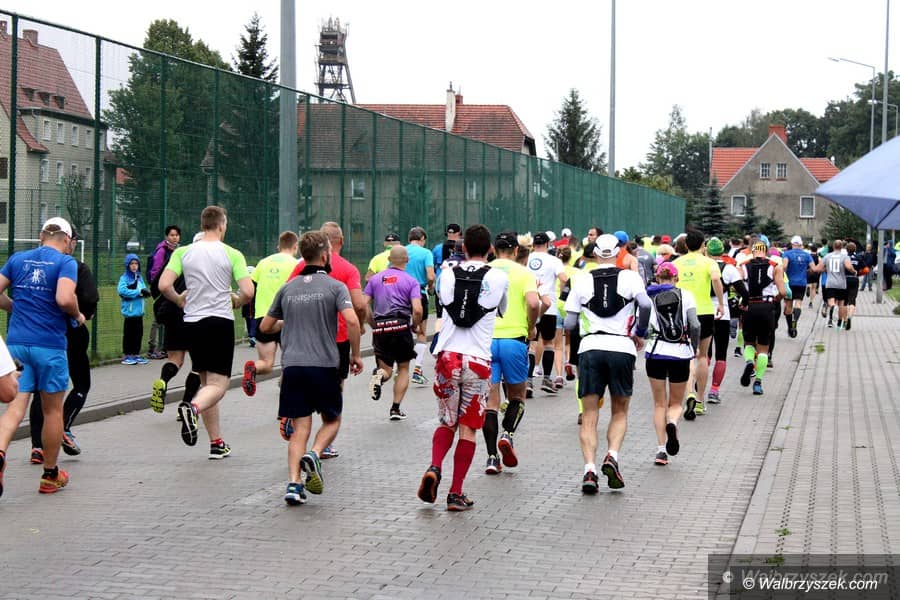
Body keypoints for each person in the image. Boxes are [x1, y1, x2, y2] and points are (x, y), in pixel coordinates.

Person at [260, 231, 362, 505]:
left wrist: (288, 322)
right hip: (324, 364)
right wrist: (355, 354)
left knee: (299, 427)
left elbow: (266, 326)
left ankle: (294, 484)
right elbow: (353, 321)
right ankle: (315, 453)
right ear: (326, 255)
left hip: (293, 366)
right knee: (332, 419)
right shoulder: (335, 286)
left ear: (303, 256)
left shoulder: (288, 288)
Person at [417, 224, 508, 511]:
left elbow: (443, 304)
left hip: (448, 357)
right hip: (477, 361)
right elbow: (501, 310)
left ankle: (434, 466)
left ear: (463, 247)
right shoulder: (498, 277)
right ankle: (455, 492)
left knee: (447, 421)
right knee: (468, 428)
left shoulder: (447, 274)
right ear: (490, 249)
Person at [158, 206, 254, 459]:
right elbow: (248, 291)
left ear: (203, 225)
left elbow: (164, 285)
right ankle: (192, 408)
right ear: (222, 225)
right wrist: (237, 300)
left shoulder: (183, 252)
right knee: (219, 385)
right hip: (219, 322)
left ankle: (216, 443)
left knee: (206, 384)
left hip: (192, 323)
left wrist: (179, 299)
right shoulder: (232, 253)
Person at [0, 217, 84, 496]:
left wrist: (13, 307)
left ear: (41, 236)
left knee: (14, 409)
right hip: (49, 346)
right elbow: (64, 298)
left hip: (17, 345)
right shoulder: (65, 262)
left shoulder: (17, 259)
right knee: (52, 411)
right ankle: (50, 475)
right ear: (67, 240)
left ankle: (0, 453)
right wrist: (77, 314)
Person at [564, 234, 651, 492]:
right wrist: (640, 331)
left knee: (589, 414)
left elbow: (569, 323)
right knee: (620, 411)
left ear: (594, 253)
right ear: (617, 252)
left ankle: (589, 470)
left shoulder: (581, 279)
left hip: (590, 347)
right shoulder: (630, 277)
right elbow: (645, 305)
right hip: (622, 347)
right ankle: (612, 455)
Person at [285, 222, 367, 458]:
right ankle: (324, 443)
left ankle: (293, 416)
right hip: (337, 337)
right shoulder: (348, 269)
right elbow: (359, 304)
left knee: (305, 385)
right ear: (341, 241)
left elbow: (287, 292)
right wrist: (360, 327)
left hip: (303, 337)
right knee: (334, 390)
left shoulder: (301, 265)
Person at [29, 230, 99, 461]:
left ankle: (38, 447)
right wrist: (84, 314)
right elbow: (89, 298)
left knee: (41, 391)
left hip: (41, 333)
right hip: (71, 332)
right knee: (81, 384)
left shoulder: (35, 266)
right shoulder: (76, 267)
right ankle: (63, 427)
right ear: (70, 241)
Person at [483, 231, 540, 474]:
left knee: (490, 401)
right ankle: (507, 434)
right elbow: (534, 303)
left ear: (494, 250)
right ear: (516, 251)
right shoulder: (524, 273)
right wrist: (531, 326)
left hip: (487, 340)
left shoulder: (485, 271)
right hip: (514, 339)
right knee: (517, 396)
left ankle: (491, 458)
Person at [644, 262, 700, 466]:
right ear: (677, 278)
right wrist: (693, 347)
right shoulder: (686, 295)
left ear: (658, 278)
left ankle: (661, 451)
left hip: (655, 353)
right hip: (680, 354)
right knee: (675, 403)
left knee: (659, 404)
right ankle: (673, 423)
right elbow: (695, 325)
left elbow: (644, 327)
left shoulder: (649, 297)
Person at [363, 246, 423, 420]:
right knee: (403, 368)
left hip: (381, 327)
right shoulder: (411, 281)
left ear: (389, 259)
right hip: (401, 326)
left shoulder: (375, 279)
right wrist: (415, 325)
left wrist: (372, 323)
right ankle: (395, 409)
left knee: (386, 369)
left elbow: (363, 304)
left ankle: (379, 376)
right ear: (407, 260)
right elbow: (417, 309)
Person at [672, 231, 725, 418]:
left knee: (687, 355)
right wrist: (720, 303)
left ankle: (690, 394)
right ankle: (701, 401)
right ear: (703, 245)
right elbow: (716, 279)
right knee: (702, 356)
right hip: (704, 311)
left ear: (686, 245)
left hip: (683, 313)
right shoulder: (709, 262)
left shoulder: (676, 263)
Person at [149, 232, 202, 416]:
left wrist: (168, 299)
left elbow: (157, 284)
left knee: (175, 360)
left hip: (173, 313)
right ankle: (185, 406)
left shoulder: (179, 256)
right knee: (198, 366)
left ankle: (163, 381)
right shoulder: (210, 260)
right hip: (196, 316)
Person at [241, 231, 299, 397]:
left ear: (278, 246)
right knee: (293, 361)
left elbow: (251, 286)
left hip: (263, 317)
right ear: (295, 247)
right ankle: (287, 385)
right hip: (287, 317)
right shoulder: (296, 265)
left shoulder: (263, 262)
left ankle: (253, 368)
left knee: (266, 364)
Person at [738, 241, 787, 396]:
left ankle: (749, 362)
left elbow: (738, 287)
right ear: (766, 252)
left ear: (753, 252)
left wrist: (743, 301)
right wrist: (775, 300)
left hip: (750, 307)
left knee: (749, 342)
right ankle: (758, 382)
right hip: (766, 307)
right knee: (764, 347)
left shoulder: (743, 265)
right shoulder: (775, 266)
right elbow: (783, 292)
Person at [704, 237, 747, 405]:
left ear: (706, 251)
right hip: (723, 314)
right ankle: (714, 390)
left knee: (703, 354)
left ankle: (698, 385)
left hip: (703, 312)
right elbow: (744, 291)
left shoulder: (702, 266)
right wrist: (743, 304)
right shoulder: (729, 268)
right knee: (721, 354)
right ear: (722, 251)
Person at [526, 231, 567, 395]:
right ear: (548, 244)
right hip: (549, 305)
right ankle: (547, 379)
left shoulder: (527, 259)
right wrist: (563, 293)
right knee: (549, 342)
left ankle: (528, 381)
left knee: (531, 343)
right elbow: (564, 278)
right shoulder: (554, 260)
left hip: (530, 304)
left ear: (533, 245)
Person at [405, 227, 436, 385]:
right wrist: (430, 287)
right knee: (421, 332)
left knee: (402, 330)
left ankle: (400, 367)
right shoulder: (426, 253)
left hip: (400, 294)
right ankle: (417, 371)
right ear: (422, 238)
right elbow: (430, 276)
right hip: (419, 293)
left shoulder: (401, 251)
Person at [146, 225, 181, 359]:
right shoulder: (162, 251)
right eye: (172, 235)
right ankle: (152, 348)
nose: (175, 238)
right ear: (167, 236)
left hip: (173, 287)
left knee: (170, 317)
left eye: (176, 235)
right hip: (162, 289)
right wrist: (160, 286)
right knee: (158, 317)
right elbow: (156, 271)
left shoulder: (178, 251)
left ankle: (166, 347)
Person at [118, 254, 151, 365]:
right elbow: (122, 291)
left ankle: (136, 354)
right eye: (131, 263)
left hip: (139, 312)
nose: (134, 266)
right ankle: (127, 355)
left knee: (138, 334)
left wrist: (145, 292)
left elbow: (143, 288)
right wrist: (138, 292)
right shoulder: (124, 278)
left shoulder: (139, 277)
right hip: (130, 312)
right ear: (127, 265)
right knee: (129, 334)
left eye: (136, 263)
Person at [816, 239, 856, 329]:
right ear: (842, 247)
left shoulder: (827, 256)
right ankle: (839, 322)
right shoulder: (845, 257)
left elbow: (818, 268)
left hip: (830, 283)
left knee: (831, 300)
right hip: (841, 283)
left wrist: (825, 269)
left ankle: (833, 306)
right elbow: (848, 266)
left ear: (833, 246)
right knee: (841, 303)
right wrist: (853, 271)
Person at [782, 235, 813, 338]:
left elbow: (784, 266)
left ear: (792, 244)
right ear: (801, 244)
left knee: (788, 306)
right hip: (801, 283)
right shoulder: (807, 255)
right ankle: (795, 320)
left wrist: (781, 273)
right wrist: (806, 271)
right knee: (798, 304)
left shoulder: (787, 254)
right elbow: (813, 268)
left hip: (789, 283)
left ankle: (790, 327)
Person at [844, 242, 862, 330]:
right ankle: (850, 317)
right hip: (854, 279)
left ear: (846, 249)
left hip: (844, 280)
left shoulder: (844, 257)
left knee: (844, 301)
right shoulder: (858, 257)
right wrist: (859, 273)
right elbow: (865, 269)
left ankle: (844, 320)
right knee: (852, 300)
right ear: (855, 249)